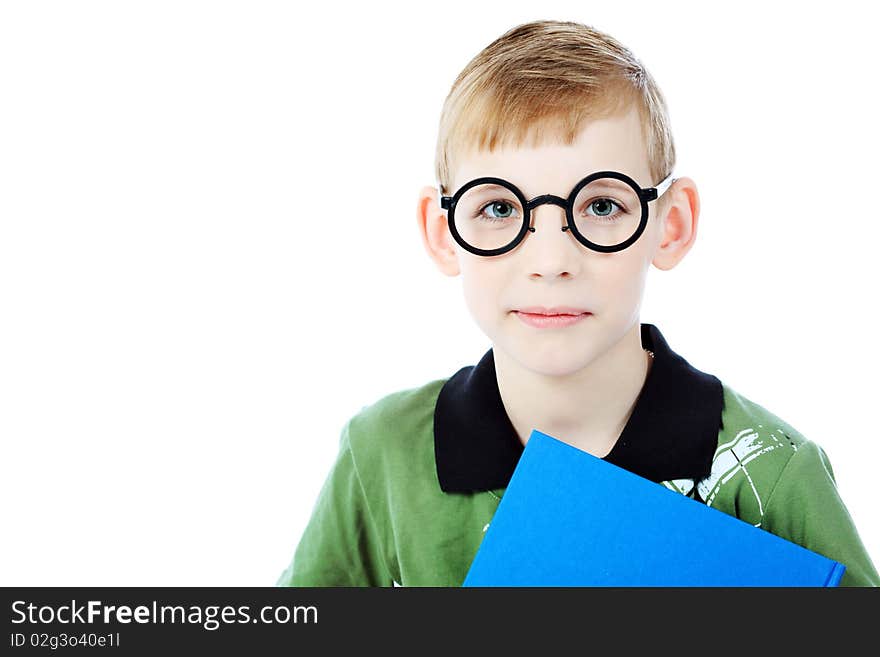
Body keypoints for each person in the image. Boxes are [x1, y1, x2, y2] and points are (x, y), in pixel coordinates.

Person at [276, 19, 879, 587]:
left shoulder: (772, 474)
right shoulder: (380, 454)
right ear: (442, 233)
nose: (550, 260)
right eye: (499, 208)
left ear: (670, 226)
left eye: (599, 206)